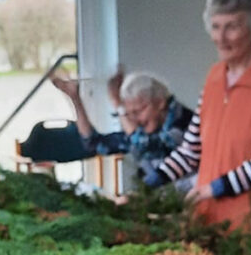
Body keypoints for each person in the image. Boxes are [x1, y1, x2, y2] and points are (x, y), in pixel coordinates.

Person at [145, 0, 251, 229]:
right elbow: (192, 149)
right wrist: (148, 185)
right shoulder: (214, 77)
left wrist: (216, 188)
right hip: (212, 216)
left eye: (232, 27)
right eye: (216, 27)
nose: (221, 38)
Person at [51, 70, 195, 189]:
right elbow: (94, 144)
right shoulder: (145, 129)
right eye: (129, 113)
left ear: (160, 102)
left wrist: (118, 106)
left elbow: (144, 146)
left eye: (138, 111)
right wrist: (75, 99)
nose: (135, 120)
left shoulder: (184, 123)